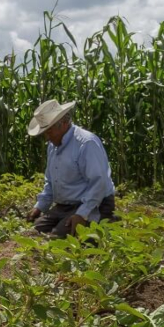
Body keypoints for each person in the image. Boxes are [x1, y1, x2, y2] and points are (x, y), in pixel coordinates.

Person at [26, 99, 116, 237]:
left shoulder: (86, 143)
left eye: (49, 132)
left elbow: (99, 183)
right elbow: (51, 181)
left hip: (95, 203)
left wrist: (82, 214)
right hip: (65, 206)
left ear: (63, 124)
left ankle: (107, 221)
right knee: (37, 229)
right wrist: (40, 206)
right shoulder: (53, 146)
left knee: (58, 238)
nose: (46, 137)